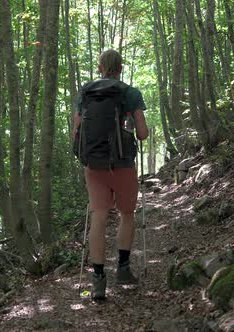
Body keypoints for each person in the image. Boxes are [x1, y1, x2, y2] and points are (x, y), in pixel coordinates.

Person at [72, 49, 149, 300]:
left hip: (94, 166)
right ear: (121, 68)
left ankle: (98, 280)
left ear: (100, 68)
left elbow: (76, 131)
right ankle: (123, 269)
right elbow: (142, 133)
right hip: (123, 164)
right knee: (127, 213)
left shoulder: (85, 92)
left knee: (99, 217)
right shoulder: (130, 93)